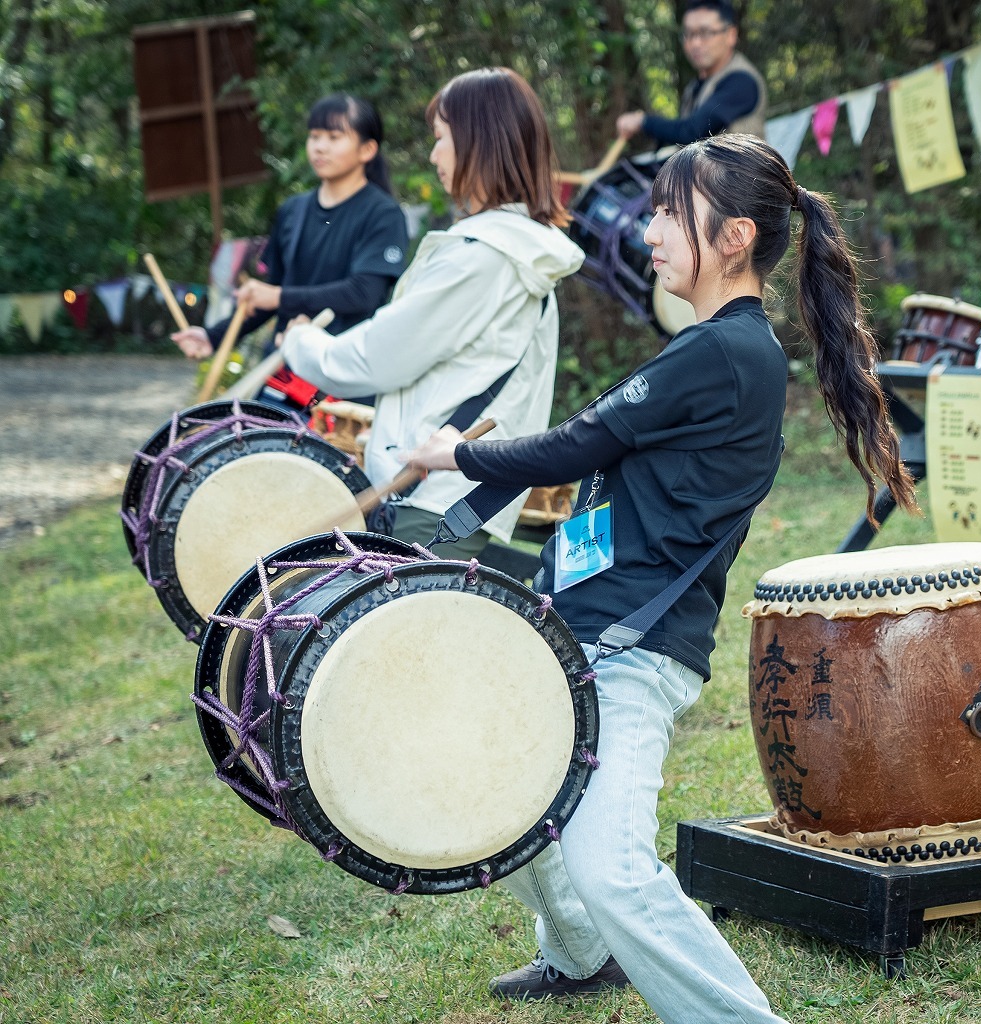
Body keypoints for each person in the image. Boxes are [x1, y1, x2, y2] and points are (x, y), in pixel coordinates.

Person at [404, 133, 918, 1023]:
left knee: (612, 867)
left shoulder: (724, 352)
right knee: (506, 797)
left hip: (631, 647)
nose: (647, 231)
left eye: (668, 213)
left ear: (733, 237)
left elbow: (579, 441)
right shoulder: (716, 349)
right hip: (586, 626)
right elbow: (599, 444)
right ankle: (579, 953)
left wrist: (459, 451)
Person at [281, 68, 584, 559]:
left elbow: (378, 356)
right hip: (446, 494)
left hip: (431, 498)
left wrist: (300, 343)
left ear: (477, 144)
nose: (432, 155)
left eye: (441, 139)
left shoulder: (483, 257)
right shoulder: (512, 249)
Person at [172, 93, 409, 409]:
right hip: (284, 370)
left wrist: (279, 297)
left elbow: (363, 293)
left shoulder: (383, 214)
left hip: (341, 379)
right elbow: (268, 297)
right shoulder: (293, 211)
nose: (320, 146)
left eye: (334, 137)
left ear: (367, 149)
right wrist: (213, 336)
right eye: (314, 136)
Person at [615, 0, 767, 147]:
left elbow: (691, 132)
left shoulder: (741, 82)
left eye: (706, 33)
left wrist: (643, 122)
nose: (695, 43)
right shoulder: (696, 86)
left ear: (731, 35)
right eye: (688, 34)